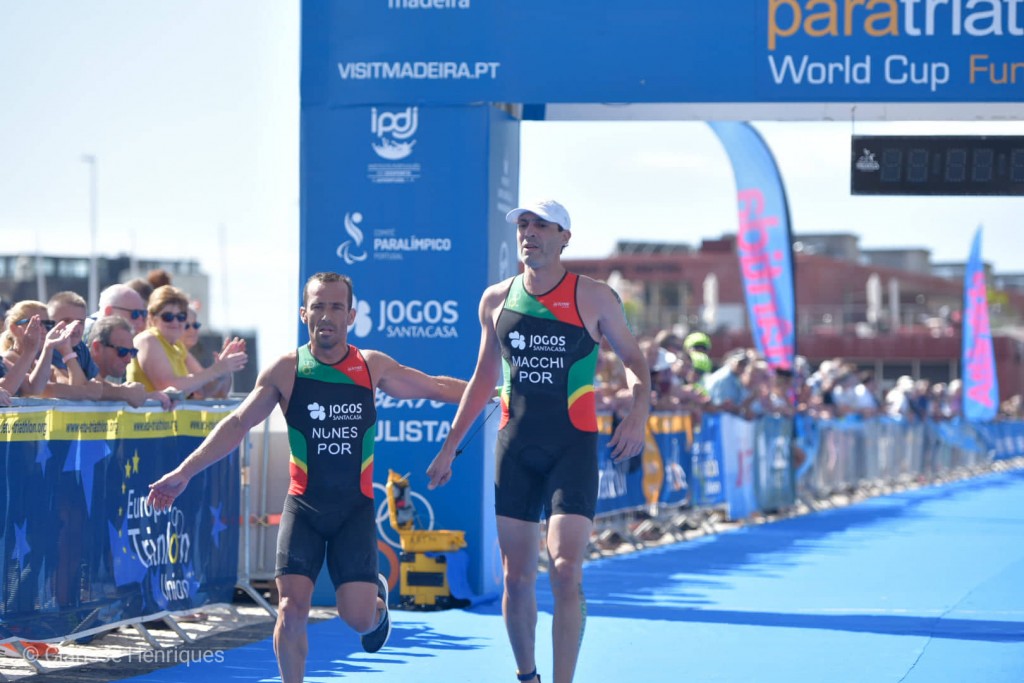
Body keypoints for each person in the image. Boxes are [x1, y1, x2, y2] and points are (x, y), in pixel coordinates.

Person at [147, 272, 468, 683]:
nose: (326, 315)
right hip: (304, 507)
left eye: (336, 306)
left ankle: (376, 603)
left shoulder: (371, 366)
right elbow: (237, 423)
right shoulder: (287, 370)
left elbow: (435, 387)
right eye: (318, 305)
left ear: (351, 315)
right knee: (290, 608)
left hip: (354, 509)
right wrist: (184, 472)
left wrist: (494, 392)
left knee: (357, 619)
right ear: (304, 313)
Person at [426, 199, 650, 683]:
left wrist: (638, 413)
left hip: (572, 448)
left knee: (566, 569)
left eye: (541, 226)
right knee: (516, 576)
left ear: (565, 237)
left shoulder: (594, 297)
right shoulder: (495, 299)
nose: (529, 233)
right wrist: (449, 447)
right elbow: (482, 379)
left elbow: (634, 360)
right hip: (516, 450)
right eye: (523, 225)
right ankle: (527, 674)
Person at [127, 285, 247, 398]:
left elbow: (208, 391)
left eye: (181, 317)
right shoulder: (147, 340)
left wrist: (224, 369)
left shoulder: (178, 347)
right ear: (152, 319)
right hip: (147, 420)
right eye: (167, 317)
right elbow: (169, 388)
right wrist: (216, 370)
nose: (175, 322)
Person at [87, 315, 175, 409]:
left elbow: (100, 386)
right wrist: (127, 392)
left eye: (132, 352)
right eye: (122, 351)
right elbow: (83, 389)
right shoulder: (78, 362)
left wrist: (147, 396)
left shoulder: (96, 376)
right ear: (97, 348)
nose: (128, 360)